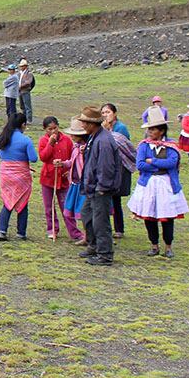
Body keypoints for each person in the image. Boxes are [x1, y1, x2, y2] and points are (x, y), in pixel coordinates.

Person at [128, 106, 189, 258]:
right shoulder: (143, 145)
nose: (150, 132)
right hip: (149, 185)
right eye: (149, 129)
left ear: (161, 131)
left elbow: (172, 163)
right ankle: (154, 245)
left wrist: (153, 161)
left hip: (166, 184)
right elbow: (140, 164)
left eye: (153, 129)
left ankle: (168, 246)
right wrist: (157, 164)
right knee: (149, 217)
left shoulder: (171, 146)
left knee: (167, 217)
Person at [0, 112, 39, 241]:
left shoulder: (2, 137)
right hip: (21, 175)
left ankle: (2, 230)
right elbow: (34, 158)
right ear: (23, 125)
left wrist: (2, 156)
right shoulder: (25, 140)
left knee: (7, 201)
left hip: (6, 174)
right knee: (23, 202)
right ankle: (21, 233)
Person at [79, 106, 121, 266]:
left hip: (100, 188)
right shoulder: (95, 137)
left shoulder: (103, 141)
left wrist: (102, 188)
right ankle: (94, 245)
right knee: (87, 215)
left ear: (91, 124)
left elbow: (106, 167)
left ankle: (105, 254)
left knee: (101, 221)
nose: (82, 125)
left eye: (84, 122)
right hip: (93, 187)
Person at [38, 117, 76, 240]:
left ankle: (73, 231)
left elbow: (72, 157)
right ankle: (52, 229)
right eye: (50, 129)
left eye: (55, 128)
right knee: (49, 207)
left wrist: (69, 170)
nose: (53, 131)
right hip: (48, 178)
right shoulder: (43, 141)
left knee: (66, 206)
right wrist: (50, 144)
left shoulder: (67, 140)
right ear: (45, 129)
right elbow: (43, 157)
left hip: (63, 178)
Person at [101, 103, 135, 241]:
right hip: (108, 166)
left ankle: (119, 228)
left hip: (120, 166)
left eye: (107, 112)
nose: (105, 115)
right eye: (103, 112)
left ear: (114, 113)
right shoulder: (103, 127)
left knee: (116, 198)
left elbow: (121, 145)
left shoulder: (121, 128)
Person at [58, 120, 89, 245]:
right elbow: (72, 162)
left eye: (73, 134)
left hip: (83, 184)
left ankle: (88, 236)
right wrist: (63, 164)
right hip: (75, 183)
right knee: (77, 211)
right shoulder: (76, 148)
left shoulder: (86, 148)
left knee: (84, 212)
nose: (71, 137)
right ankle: (86, 237)